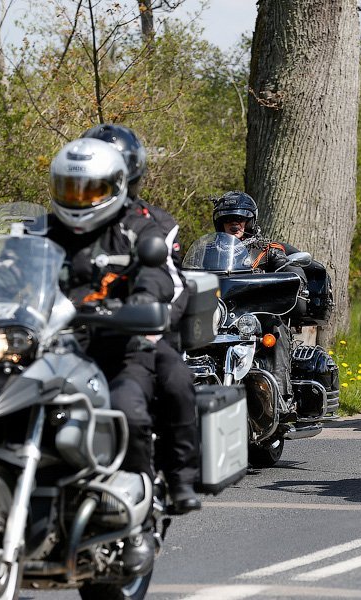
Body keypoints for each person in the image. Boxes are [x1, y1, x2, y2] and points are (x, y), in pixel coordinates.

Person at [47, 137, 175, 575]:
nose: (79, 200)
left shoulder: (139, 229)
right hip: (54, 349)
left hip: (118, 344)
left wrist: (133, 308)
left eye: (91, 190)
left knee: (127, 410)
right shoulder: (42, 230)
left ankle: (139, 522)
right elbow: (3, 273)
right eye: (71, 188)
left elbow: (158, 280)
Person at [81, 124, 201, 514]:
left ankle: (178, 476)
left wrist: (149, 313)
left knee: (176, 379)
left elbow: (170, 281)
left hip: (140, 333)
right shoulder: (57, 228)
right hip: (72, 336)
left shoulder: (152, 224)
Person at [211, 191, 306, 402]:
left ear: (250, 221)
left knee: (275, 325)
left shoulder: (267, 249)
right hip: (218, 315)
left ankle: (280, 396)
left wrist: (292, 276)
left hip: (255, 316)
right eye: (227, 219)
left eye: (240, 218)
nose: (234, 223)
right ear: (220, 222)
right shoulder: (210, 250)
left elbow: (290, 269)